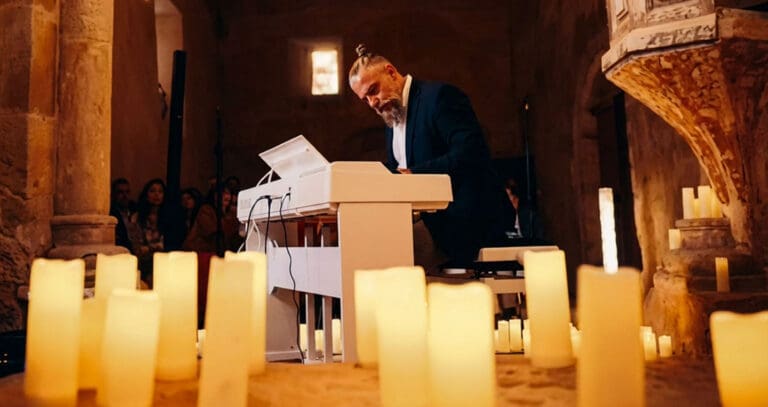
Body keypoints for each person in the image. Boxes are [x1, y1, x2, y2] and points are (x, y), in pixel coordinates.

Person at [348, 44, 509, 269]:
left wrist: (414, 175)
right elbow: (398, 170)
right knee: (360, 242)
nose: (372, 103)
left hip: (464, 218)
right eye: (365, 99)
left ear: (391, 72)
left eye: (373, 90)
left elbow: (471, 151)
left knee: (381, 256)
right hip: (429, 221)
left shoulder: (439, 97)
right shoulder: (391, 115)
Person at [130, 178, 168, 286]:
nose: (157, 195)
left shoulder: (168, 217)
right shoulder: (137, 217)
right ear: (146, 194)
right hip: (145, 263)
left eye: (160, 191)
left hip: (165, 261)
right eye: (152, 191)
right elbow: (137, 248)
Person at [109, 178, 136, 251]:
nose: (125, 196)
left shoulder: (135, 211)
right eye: (120, 192)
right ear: (114, 194)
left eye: (127, 192)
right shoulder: (111, 215)